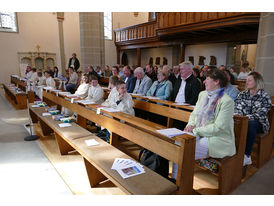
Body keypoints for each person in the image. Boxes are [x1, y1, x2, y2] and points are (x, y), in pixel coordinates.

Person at [172, 69, 236, 179]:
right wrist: (190, 125)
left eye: (207, 79)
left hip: (216, 138)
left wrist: (195, 130)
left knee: (182, 152)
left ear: (216, 82)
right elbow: (194, 114)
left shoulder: (227, 101)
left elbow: (218, 127)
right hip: (198, 132)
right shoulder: (203, 94)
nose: (204, 81)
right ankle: (175, 180)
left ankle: (180, 182)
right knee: (177, 145)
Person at [235, 72, 272, 166]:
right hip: (243, 121)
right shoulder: (242, 94)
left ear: (257, 82)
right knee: (233, 122)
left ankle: (246, 155)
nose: (246, 82)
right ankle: (233, 153)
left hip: (260, 124)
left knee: (251, 123)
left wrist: (245, 118)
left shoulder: (264, 96)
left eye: (249, 80)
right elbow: (237, 109)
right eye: (246, 80)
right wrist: (242, 118)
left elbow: (260, 114)